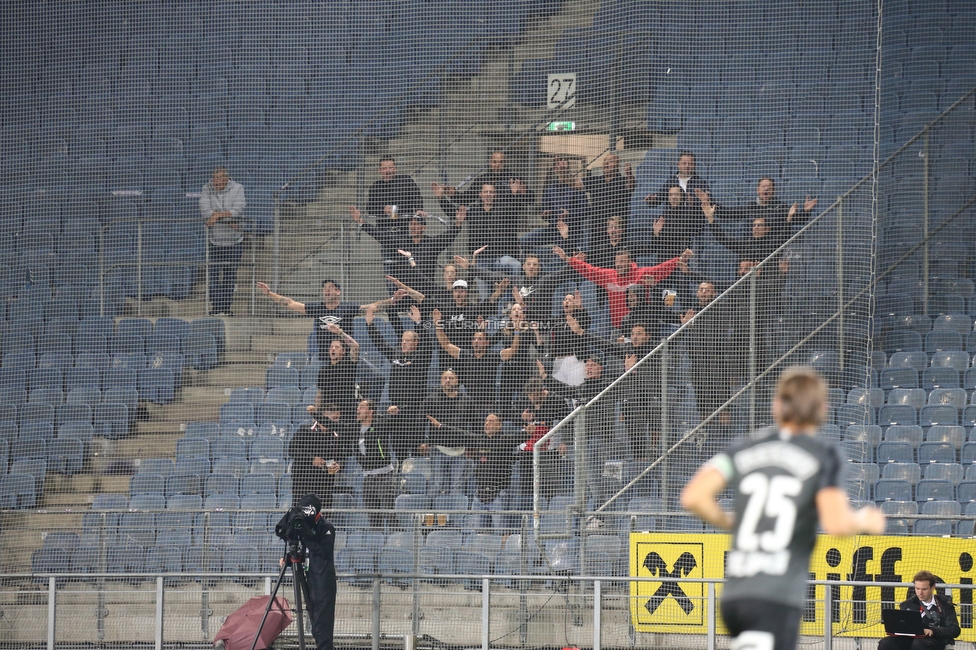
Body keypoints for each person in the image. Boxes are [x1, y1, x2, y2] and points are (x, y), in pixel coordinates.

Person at [681, 366, 886, 650]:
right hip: (775, 597)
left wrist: (731, 522)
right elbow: (836, 524)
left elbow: (693, 497)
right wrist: (865, 520)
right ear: (822, 409)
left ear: (776, 405)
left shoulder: (743, 448)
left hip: (735, 596)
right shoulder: (823, 455)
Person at [554, 245, 690, 329]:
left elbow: (661, 269)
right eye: (617, 261)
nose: (619, 264)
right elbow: (588, 270)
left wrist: (679, 260)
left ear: (630, 262)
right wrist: (568, 259)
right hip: (618, 329)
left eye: (622, 261)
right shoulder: (608, 276)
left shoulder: (642, 274)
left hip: (642, 327)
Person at [256, 279, 361, 361]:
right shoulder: (318, 308)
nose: (326, 290)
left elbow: (369, 308)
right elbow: (290, 303)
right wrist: (269, 293)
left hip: (345, 359)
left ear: (338, 291)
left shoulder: (347, 307)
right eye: (324, 288)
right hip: (324, 360)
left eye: (330, 287)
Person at [292, 494, 338, 650]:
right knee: (315, 624)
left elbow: (323, 551)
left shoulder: (326, 527)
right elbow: (305, 552)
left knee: (322, 626)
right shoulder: (306, 527)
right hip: (310, 580)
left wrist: (305, 537)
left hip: (323, 582)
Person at [201, 166, 246, 316]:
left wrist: (217, 217)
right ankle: (216, 307)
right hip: (214, 241)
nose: (216, 182)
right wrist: (228, 218)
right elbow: (204, 210)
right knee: (213, 275)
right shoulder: (207, 188)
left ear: (227, 178)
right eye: (214, 178)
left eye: (220, 178)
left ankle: (226, 308)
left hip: (234, 241)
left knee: (230, 275)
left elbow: (238, 209)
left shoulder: (238, 188)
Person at [878, 570, 960, 650]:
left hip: (935, 640)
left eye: (924, 589)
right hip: (910, 640)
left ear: (933, 587)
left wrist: (932, 631)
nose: (920, 593)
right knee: (886, 643)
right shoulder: (908, 605)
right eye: (917, 588)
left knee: (919, 643)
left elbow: (954, 629)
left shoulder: (945, 605)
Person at [431, 150, 532, 215]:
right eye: (495, 162)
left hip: (505, 217)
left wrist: (523, 193)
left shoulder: (513, 179)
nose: (497, 165)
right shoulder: (482, 179)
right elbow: (466, 198)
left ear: (505, 163)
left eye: (501, 162)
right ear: (490, 162)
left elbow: (531, 198)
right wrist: (451, 193)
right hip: (484, 215)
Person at [468, 412, 518, 531]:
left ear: (500, 425)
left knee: (501, 531)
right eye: (486, 421)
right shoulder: (480, 440)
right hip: (479, 494)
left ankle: (502, 548)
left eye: (491, 421)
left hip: (498, 493)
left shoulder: (505, 441)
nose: (487, 424)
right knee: (479, 533)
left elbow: (520, 437)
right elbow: (463, 435)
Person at [288, 407, 345, 510]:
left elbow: (342, 456)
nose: (336, 421)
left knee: (323, 516)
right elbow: (292, 450)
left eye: (337, 418)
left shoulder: (337, 436)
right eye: (334, 417)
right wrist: (312, 459)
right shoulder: (305, 430)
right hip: (303, 480)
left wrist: (339, 465)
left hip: (325, 484)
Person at [353, 399, 397, 531]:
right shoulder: (355, 428)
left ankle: (395, 542)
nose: (358, 410)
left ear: (371, 411)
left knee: (390, 513)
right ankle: (376, 544)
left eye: (362, 407)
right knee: (373, 516)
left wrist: (396, 412)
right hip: (367, 477)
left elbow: (394, 421)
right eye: (358, 407)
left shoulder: (380, 424)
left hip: (384, 476)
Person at [575, 153, 635, 238]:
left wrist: (629, 174)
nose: (606, 163)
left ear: (617, 165)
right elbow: (575, 184)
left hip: (615, 231)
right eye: (605, 161)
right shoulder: (595, 180)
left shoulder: (622, 180)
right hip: (597, 229)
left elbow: (631, 186)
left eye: (610, 161)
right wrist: (564, 172)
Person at [309, 324, 360, 423]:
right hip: (328, 413)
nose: (333, 349)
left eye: (337, 347)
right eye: (331, 347)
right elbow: (320, 394)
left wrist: (340, 332)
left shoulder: (348, 365)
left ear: (343, 351)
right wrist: (315, 415)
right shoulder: (323, 371)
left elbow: (355, 347)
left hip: (347, 413)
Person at [644, 151, 710, 208]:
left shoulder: (701, 183)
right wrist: (652, 200)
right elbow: (660, 198)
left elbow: (708, 203)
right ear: (678, 164)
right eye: (684, 163)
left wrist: (694, 203)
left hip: (693, 220)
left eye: (690, 164)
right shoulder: (671, 182)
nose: (687, 166)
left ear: (695, 165)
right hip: (673, 220)